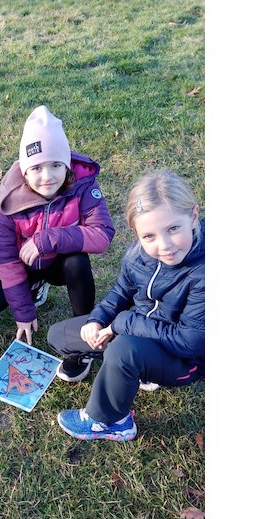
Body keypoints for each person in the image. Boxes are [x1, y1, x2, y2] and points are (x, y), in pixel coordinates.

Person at [47, 170, 205, 441]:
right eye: (149, 236)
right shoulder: (137, 255)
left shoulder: (205, 271)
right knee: (60, 335)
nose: (164, 245)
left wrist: (122, 323)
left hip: (185, 360)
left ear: (192, 216)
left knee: (123, 350)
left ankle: (110, 421)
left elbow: (191, 343)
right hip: (142, 332)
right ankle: (135, 368)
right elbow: (120, 292)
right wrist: (97, 320)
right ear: (137, 234)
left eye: (173, 229)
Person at [0, 105, 115, 344]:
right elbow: (7, 259)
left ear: (66, 165)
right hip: (26, 263)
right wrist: (23, 312)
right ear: (25, 172)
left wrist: (46, 239)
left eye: (56, 165)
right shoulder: (10, 200)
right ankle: (35, 285)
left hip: (61, 262)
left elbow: (102, 235)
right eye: (36, 168)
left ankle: (84, 324)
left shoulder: (83, 185)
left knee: (77, 261)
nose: (47, 176)